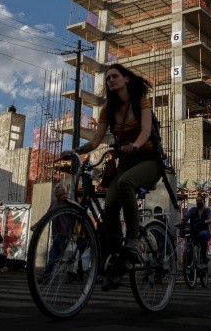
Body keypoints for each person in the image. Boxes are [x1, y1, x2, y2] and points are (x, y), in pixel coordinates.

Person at [62, 63, 163, 290]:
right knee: (109, 206)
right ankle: (118, 257)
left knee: (126, 182)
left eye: (114, 76)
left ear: (126, 79)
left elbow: (146, 131)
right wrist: (76, 151)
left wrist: (134, 145)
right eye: (107, 79)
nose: (110, 81)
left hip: (149, 160)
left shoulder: (141, 102)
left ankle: (133, 242)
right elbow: (95, 141)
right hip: (126, 164)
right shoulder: (107, 110)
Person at [38, 181, 71, 284]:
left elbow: (75, 219)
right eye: (55, 188)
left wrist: (73, 234)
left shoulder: (68, 202)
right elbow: (47, 216)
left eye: (57, 188)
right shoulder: (54, 203)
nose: (55, 189)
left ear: (64, 191)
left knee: (61, 257)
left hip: (64, 235)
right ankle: (47, 277)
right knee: (53, 257)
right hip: (56, 234)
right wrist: (37, 225)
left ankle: (67, 276)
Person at [182, 193, 211, 267]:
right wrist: (180, 222)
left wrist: (207, 221)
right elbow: (186, 218)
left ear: (204, 201)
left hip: (204, 231)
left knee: (203, 235)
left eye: (200, 200)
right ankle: (188, 263)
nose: (199, 202)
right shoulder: (192, 210)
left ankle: (203, 257)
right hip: (193, 231)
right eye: (197, 201)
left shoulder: (207, 211)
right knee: (189, 244)